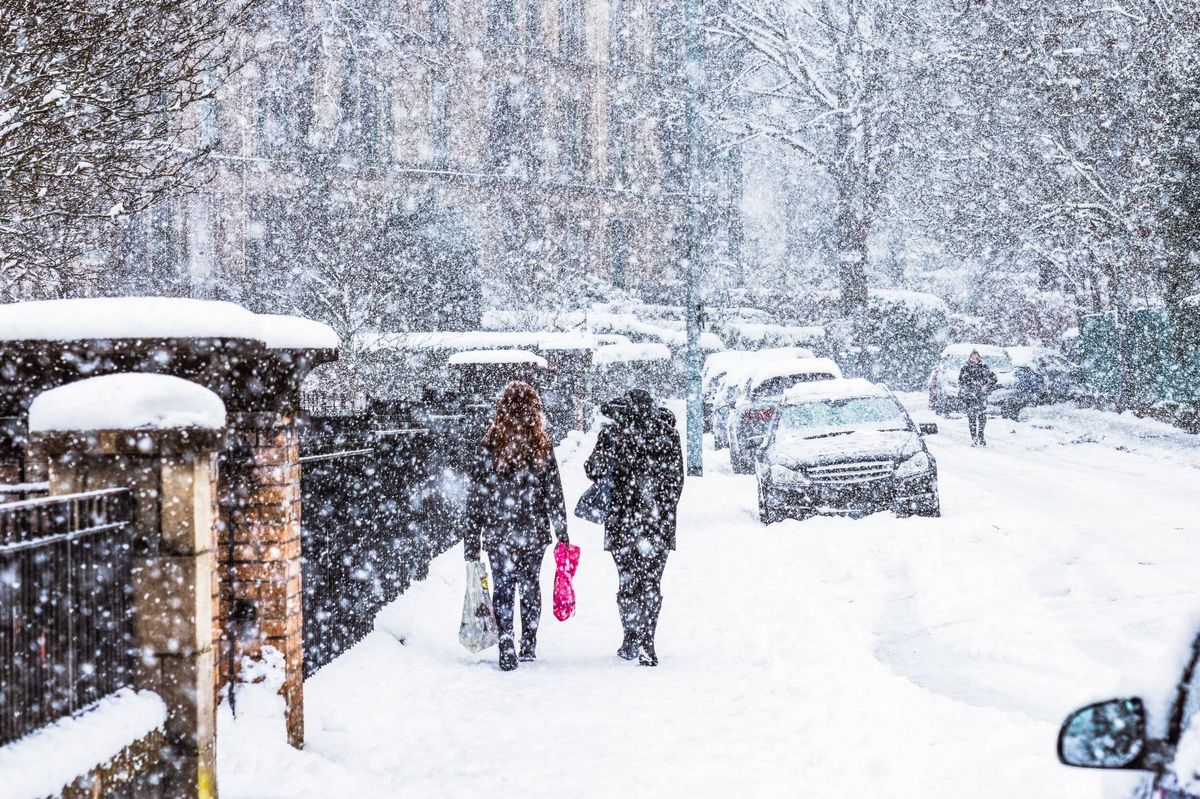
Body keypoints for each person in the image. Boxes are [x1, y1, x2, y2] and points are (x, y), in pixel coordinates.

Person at [464, 381, 569, 671]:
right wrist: (562, 533)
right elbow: (554, 492)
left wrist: (471, 541)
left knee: (503, 586)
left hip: (499, 531)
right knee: (530, 584)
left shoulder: (489, 445)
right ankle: (529, 641)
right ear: (535, 410)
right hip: (533, 530)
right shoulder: (541, 445)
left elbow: (476, 497)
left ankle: (507, 639)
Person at [584, 389, 684, 667]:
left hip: (622, 521)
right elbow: (677, 482)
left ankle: (630, 637)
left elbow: (593, 470)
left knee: (627, 580)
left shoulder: (613, 435)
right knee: (651, 582)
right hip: (657, 523)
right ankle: (647, 641)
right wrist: (661, 509)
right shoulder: (667, 435)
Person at [958, 350, 998, 446]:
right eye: (973, 358)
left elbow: (994, 378)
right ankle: (974, 438)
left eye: (977, 358)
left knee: (982, 417)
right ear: (969, 358)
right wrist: (968, 389)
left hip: (981, 396)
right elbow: (961, 381)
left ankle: (981, 436)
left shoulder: (984, 367)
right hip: (970, 397)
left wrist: (987, 386)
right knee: (972, 417)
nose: (975, 360)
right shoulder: (965, 368)